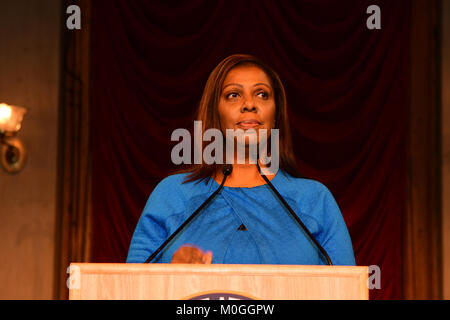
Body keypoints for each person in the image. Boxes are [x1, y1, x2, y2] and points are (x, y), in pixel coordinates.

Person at [126, 54, 355, 266]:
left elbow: (346, 292)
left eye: (262, 94)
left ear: (276, 112)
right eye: (233, 95)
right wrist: (169, 276)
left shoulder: (314, 199)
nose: (249, 104)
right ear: (215, 111)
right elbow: (131, 289)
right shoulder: (172, 195)